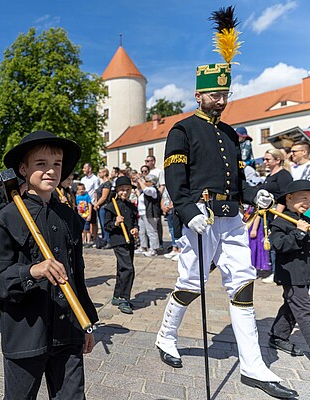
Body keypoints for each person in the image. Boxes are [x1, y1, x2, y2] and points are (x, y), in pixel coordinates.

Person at [155, 9, 297, 397]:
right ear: (198, 94)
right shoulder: (183, 129)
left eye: (225, 94)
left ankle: (253, 366)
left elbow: (235, 180)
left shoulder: (232, 136)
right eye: (215, 94)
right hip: (200, 217)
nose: (222, 101)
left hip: (232, 218)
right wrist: (187, 212)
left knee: (243, 285)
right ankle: (166, 336)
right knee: (191, 283)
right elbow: (174, 178)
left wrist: (255, 194)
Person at [0, 130, 98, 399]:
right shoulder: (7, 219)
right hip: (26, 333)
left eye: (56, 164)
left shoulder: (69, 217)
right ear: (23, 169)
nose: (50, 171)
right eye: (41, 164)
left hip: (68, 331)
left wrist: (87, 322)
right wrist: (32, 271)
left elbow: (77, 276)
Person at [268, 180, 310, 357]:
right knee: (304, 310)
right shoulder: (281, 222)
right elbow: (278, 245)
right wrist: (298, 232)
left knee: (291, 305)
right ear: (290, 198)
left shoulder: (306, 219)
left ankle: (278, 336)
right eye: (304, 198)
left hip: (305, 272)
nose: (307, 203)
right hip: (291, 274)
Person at [256, 149, 293, 283]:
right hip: (268, 213)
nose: (265, 162)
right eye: (264, 159)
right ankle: (274, 271)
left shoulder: (283, 175)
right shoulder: (270, 175)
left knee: (277, 242)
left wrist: (278, 215)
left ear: (277, 160)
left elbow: (284, 196)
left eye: (268, 159)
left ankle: (278, 273)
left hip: (278, 213)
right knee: (270, 243)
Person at [104, 176, 139, 314]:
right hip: (118, 241)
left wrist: (135, 229)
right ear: (117, 191)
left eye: (127, 190)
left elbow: (134, 222)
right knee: (128, 269)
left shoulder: (131, 206)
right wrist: (115, 223)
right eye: (122, 190)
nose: (124, 192)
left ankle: (117, 295)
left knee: (122, 269)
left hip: (129, 240)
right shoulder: (111, 207)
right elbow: (107, 226)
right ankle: (125, 299)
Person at [81, 162, 100, 245]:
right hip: (82, 203)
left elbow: (96, 191)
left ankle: (94, 238)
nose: (83, 169)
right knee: (84, 221)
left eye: (85, 168)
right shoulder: (83, 179)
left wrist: (96, 203)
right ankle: (85, 237)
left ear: (90, 169)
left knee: (93, 222)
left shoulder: (95, 179)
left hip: (91, 202)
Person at [94, 168, 113, 248]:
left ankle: (108, 241)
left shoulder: (107, 184)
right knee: (101, 225)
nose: (99, 173)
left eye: (100, 172)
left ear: (105, 173)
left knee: (105, 224)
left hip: (104, 206)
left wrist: (96, 204)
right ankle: (104, 240)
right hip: (100, 207)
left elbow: (104, 197)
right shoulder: (103, 183)